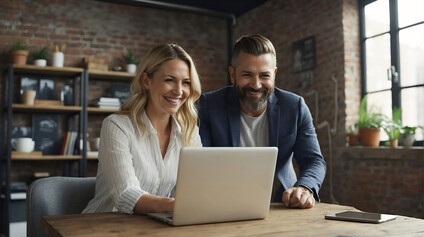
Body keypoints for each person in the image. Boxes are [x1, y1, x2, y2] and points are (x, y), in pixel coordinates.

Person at [198, 34, 326, 209]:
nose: (256, 85)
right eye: (247, 74)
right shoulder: (209, 105)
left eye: (264, 75)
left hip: (282, 203)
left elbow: (313, 160)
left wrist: (304, 188)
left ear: (274, 74)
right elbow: (199, 162)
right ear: (232, 74)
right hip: (223, 203)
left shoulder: (295, 106)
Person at [83, 43, 202, 214]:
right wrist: (177, 205)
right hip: (102, 225)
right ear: (146, 81)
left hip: (150, 228)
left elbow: (191, 191)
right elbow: (126, 194)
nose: (179, 91)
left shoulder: (189, 133)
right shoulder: (117, 126)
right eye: (169, 80)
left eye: (186, 83)